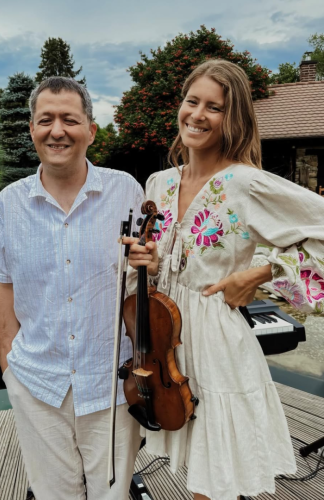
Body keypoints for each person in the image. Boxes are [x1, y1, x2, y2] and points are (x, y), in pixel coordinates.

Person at [124, 59, 324, 500]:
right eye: (191, 101)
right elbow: (163, 263)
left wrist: (261, 274)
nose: (197, 115)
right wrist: (148, 262)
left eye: (213, 107)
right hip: (165, 341)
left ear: (233, 119)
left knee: (217, 477)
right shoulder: (158, 183)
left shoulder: (246, 184)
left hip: (216, 342)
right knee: (200, 469)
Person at [0, 76, 143, 500]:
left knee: (112, 495)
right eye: (46, 120)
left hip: (111, 383)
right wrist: (9, 365)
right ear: (31, 129)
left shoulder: (127, 191)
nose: (57, 131)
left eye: (69, 119)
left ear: (91, 129)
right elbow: (2, 285)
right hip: (36, 383)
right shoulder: (6, 205)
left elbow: (143, 280)